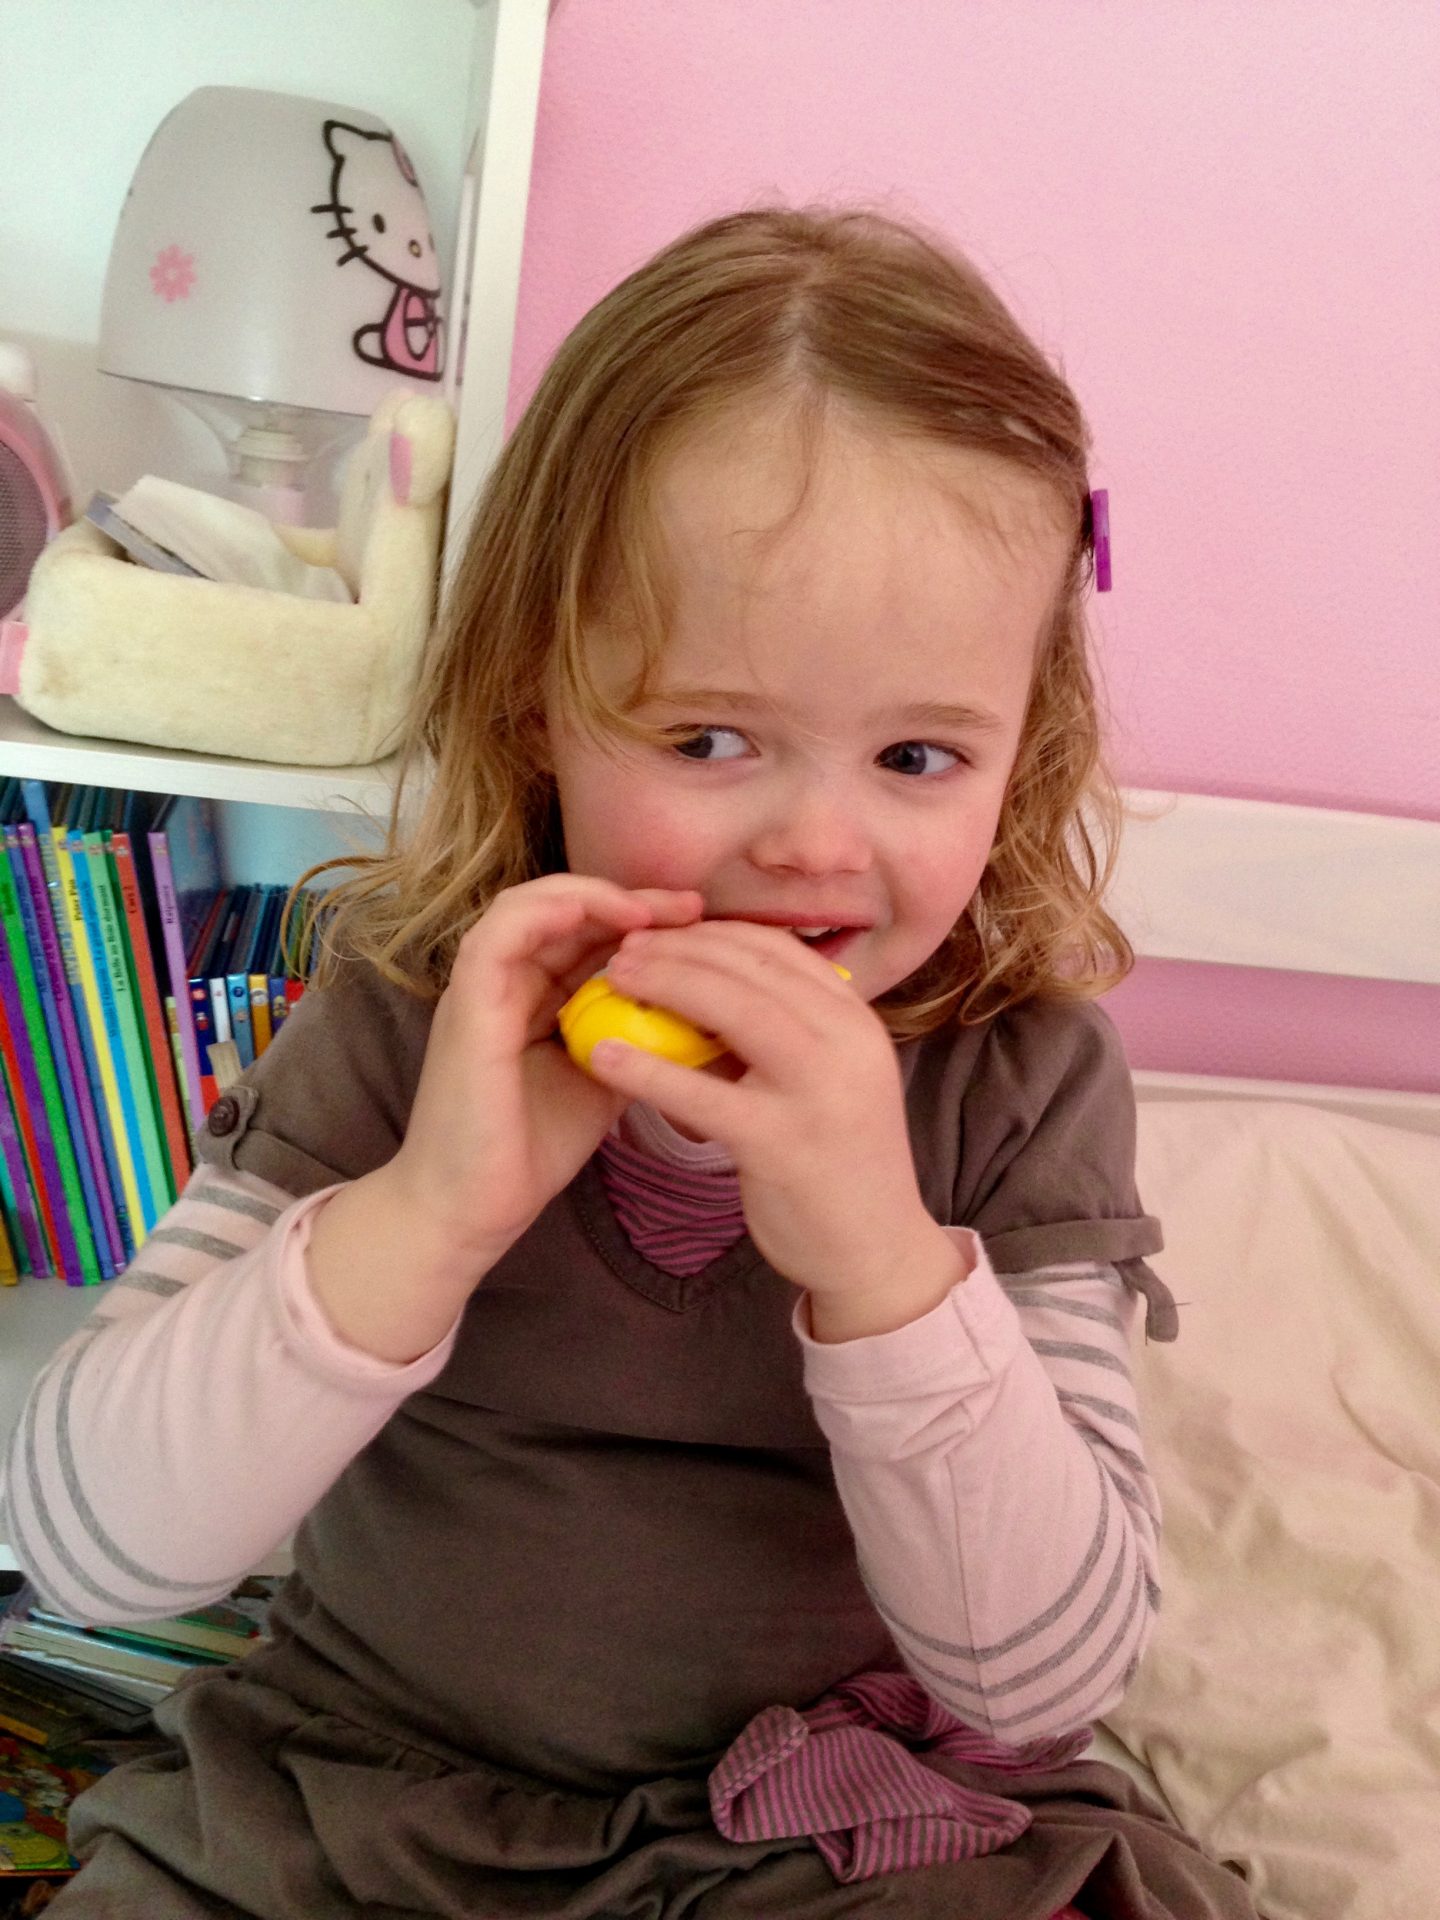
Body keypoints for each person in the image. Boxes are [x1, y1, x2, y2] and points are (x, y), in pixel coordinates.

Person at [2, 207, 1261, 1919]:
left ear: (1019, 750)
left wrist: (883, 1269)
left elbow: (1045, 1678)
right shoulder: (411, 1013)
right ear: (541, 700)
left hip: (836, 1827)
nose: (816, 844)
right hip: (367, 1800)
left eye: (916, 756)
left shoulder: (1018, 1084)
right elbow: (91, 1550)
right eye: (709, 736)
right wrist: (429, 1212)